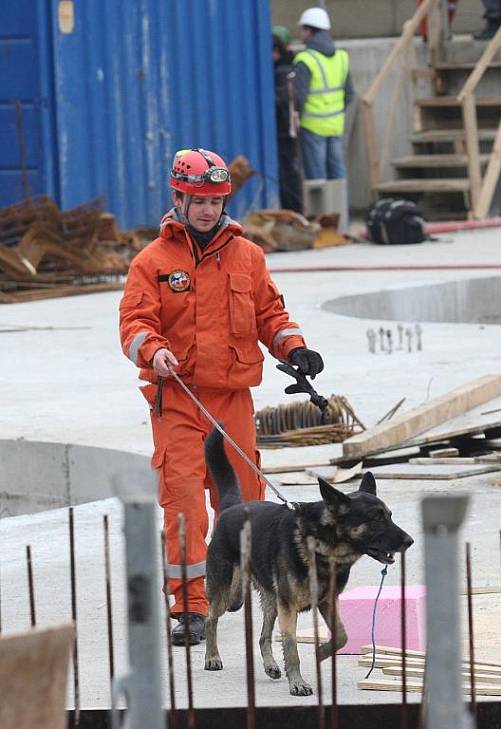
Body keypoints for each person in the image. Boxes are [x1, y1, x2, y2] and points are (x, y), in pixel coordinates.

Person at [118, 148, 324, 646]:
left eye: (216, 200)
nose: (209, 210)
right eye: (199, 201)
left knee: (247, 503)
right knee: (185, 502)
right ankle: (189, 606)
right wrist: (154, 351)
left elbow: (270, 315)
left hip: (232, 400)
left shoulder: (247, 257)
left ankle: (235, 580)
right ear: (178, 198)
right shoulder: (153, 262)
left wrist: (294, 348)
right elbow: (134, 325)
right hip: (180, 400)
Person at [292, 7, 354, 181]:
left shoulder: (306, 60)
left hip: (312, 127)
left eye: (302, 30)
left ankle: (320, 209)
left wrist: (297, 120)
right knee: (337, 174)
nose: (301, 34)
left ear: (309, 31)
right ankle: (339, 207)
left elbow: (299, 98)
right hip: (335, 125)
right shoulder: (341, 57)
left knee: (317, 177)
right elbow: (349, 94)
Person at [272, 25, 303, 213]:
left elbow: (282, 102)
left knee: (288, 174)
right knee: (290, 172)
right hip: (289, 129)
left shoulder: (281, 72)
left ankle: (293, 210)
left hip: (284, 131)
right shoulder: (290, 67)